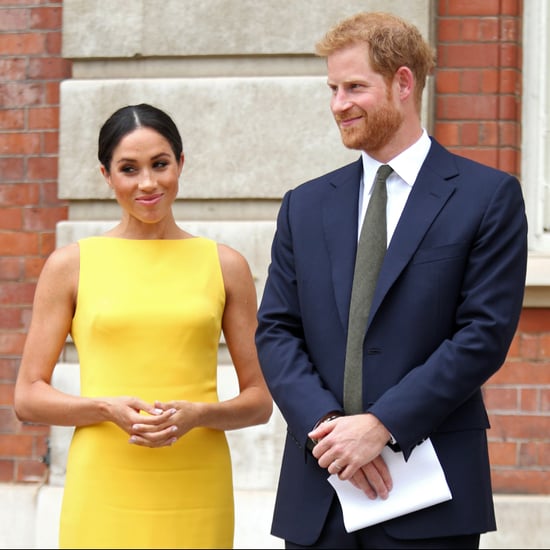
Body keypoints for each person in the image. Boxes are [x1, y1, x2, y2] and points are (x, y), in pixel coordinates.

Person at [255, 11, 527, 550]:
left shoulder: (486, 197)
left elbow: (482, 336)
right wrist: (331, 431)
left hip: (431, 496)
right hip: (321, 491)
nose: (338, 104)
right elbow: (276, 331)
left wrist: (380, 424)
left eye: (355, 86)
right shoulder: (305, 205)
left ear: (403, 83)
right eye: (333, 88)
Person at [14, 103, 273, 549]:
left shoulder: (225, 265)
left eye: (160, 164)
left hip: (196, 480)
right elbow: (28, 396)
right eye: (128, 169)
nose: (148, 183)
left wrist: (199, 416)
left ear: (181, 164)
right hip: (104, 480)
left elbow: (259, 401)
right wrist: (104, 409)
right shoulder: (71, 265)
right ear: (106, 176)